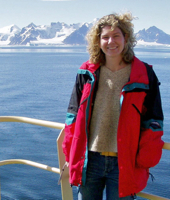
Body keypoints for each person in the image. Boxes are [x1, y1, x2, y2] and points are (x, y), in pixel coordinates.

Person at [62, 12, 164, 199]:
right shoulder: (86, 72)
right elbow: (73, 117)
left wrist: (145, 158)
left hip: (124, 162)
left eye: (116, 35)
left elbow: (154, 120)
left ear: (126, 38)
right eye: (105, 37)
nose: (111, 42)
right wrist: (71, 155)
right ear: (98, 41)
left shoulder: (143, 74)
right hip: (90, 160)